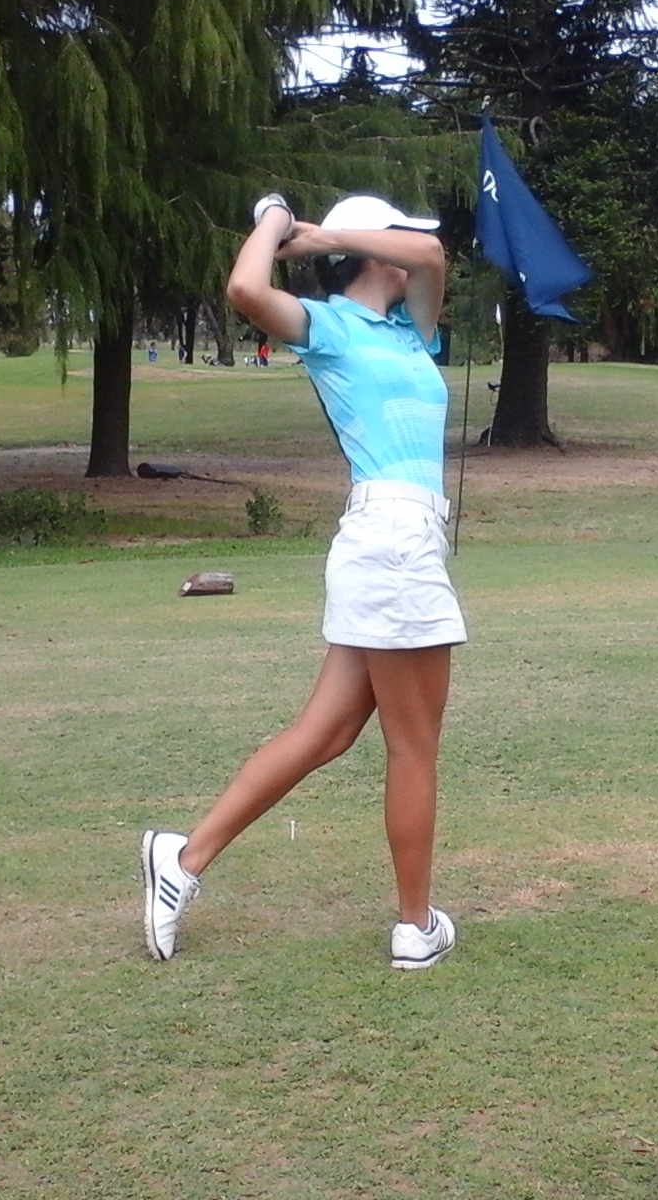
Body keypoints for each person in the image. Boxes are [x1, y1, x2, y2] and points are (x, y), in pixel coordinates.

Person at [141, 194, 464, 969]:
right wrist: (279, 222)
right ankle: (414, 927)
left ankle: (182, 860)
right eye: (395, 235)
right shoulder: (327, 326)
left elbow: (433, 258)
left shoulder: (411, 328)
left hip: (397, 542)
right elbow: (245, 289)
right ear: (371, 252)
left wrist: (323, 236)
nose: (412, 245)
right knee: (413, 748)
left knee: (325, 733)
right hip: (391, 538)